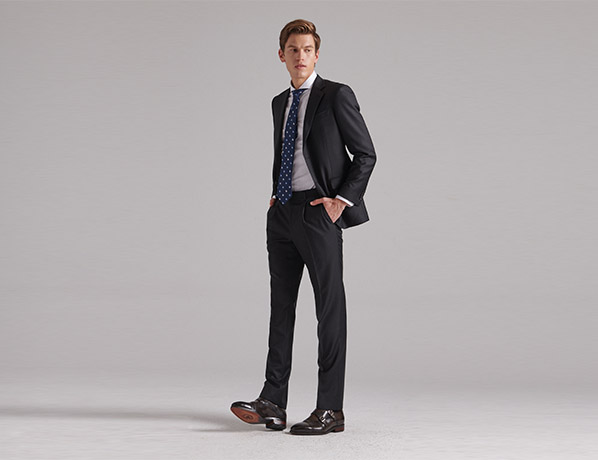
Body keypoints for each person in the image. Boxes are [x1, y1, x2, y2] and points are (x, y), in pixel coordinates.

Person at [230, 19, 376, 435]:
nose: (300, 56)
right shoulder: (280, 102)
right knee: (281, 307)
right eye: (293, 49)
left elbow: (366, 154)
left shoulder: (336, 95)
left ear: (317, 54)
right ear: (281, 55)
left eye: (307, 49)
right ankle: (273, 401)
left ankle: (330, 409)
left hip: (318, 213)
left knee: (328, 308)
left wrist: (340, 202)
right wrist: (276, 195)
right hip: (283, 214)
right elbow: (287, 153)